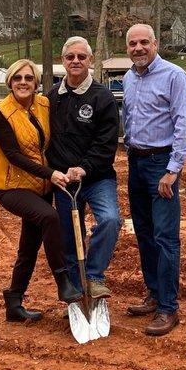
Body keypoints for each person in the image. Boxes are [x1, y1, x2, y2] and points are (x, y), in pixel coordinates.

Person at [0, 59, 81, 322]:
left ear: (36, 83)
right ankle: (63, 282)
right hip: (10, 186)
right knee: (49, 217)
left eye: (28, 78)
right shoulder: (0, 113)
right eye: (17, 78)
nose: (23, 83)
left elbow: (53, 141)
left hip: (40, 186)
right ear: (10, 82)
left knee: (29, 246)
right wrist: (50, 173)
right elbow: (14, 155)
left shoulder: (43, 105)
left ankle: (14, 303)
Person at [123, 24, 186, 336]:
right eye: (132, 43)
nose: (138, 48)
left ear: (156, 43)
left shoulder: (174, 76)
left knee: (166, 237)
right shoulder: (128, 77)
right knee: (145, 233)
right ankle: (153, 294)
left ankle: (168, 307)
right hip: (136, 163)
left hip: (160, 165)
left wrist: (172, 169)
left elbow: (185, 123)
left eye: (143, 42)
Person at [46, 36, 121, 300]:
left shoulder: (103, 97)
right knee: (69, 238)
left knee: (111, 220)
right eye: (70, 57)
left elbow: (106, 144)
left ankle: (94, 276)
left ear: (90, 60)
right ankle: (77, 297)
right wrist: (56, 172)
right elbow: (46, 140)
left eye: (81, 57)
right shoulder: (52, 97)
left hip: (97, 178)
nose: (76, 61)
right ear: (63, 61)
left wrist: (84, 168)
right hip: (65, 182)